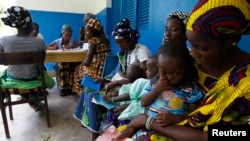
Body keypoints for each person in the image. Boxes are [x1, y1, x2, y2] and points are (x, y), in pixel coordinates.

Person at [116, 0, 250, 141]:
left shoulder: (244, 84)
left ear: (232, 40)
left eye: (203, 48)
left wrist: (149, 122)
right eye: (192, 46)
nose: (193, 53)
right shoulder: (189, 65)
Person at [73, 18, 152, 141]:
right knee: (88, 88)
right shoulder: (124, 53)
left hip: (133, 87)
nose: (119, 45)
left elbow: (145, 78)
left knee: (93, 96)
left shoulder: (141, 51)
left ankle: (94, 133)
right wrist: (104, 79)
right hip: (121, 83)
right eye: (117, 42)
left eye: (121, 42)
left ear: (129, 38)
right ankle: (91, 125)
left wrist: (116, 82)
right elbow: (117, 71)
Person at [117, 41, 204, 141]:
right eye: (164, 72)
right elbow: (144, 102)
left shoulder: (189, 90)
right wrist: (157, 89)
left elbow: (193, 116)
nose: (170, 77)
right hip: (147, 127)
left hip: (173, 130)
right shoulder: (154, 83)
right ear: (159, 67)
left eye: (176, 73)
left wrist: (175, 118)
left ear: (185, 69)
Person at [0, 6, 55, 111]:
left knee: (5, 73)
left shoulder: (4, 40)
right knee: (40, 71)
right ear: (29, 24)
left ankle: (24, 100)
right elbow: (43, 55)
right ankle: (34, 100)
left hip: (12, 78)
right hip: (32, 78)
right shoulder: (39, 42)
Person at [73, 18, 111, 96]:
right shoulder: (106, 40)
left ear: (93, 31)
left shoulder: (93, 41)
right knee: (80, 68)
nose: (86, 33)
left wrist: (81, 64)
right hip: (105, 69)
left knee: (77, 71)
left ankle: (82, 96)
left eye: (87, 31)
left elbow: (87, 62)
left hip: (95, 72)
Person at [47, 24, 80, 96]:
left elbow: (79, 48)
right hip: (60, 62)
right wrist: (54, 48)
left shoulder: (72, 41)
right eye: (66, 35)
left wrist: (72, 47)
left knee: (72, 67)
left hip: (70, 61)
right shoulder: (57, 41)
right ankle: (63, 88)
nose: (68, 37)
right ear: (62, 34)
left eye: (70, 35)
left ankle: (69, 88)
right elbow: (47, 47)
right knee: (61, 66)